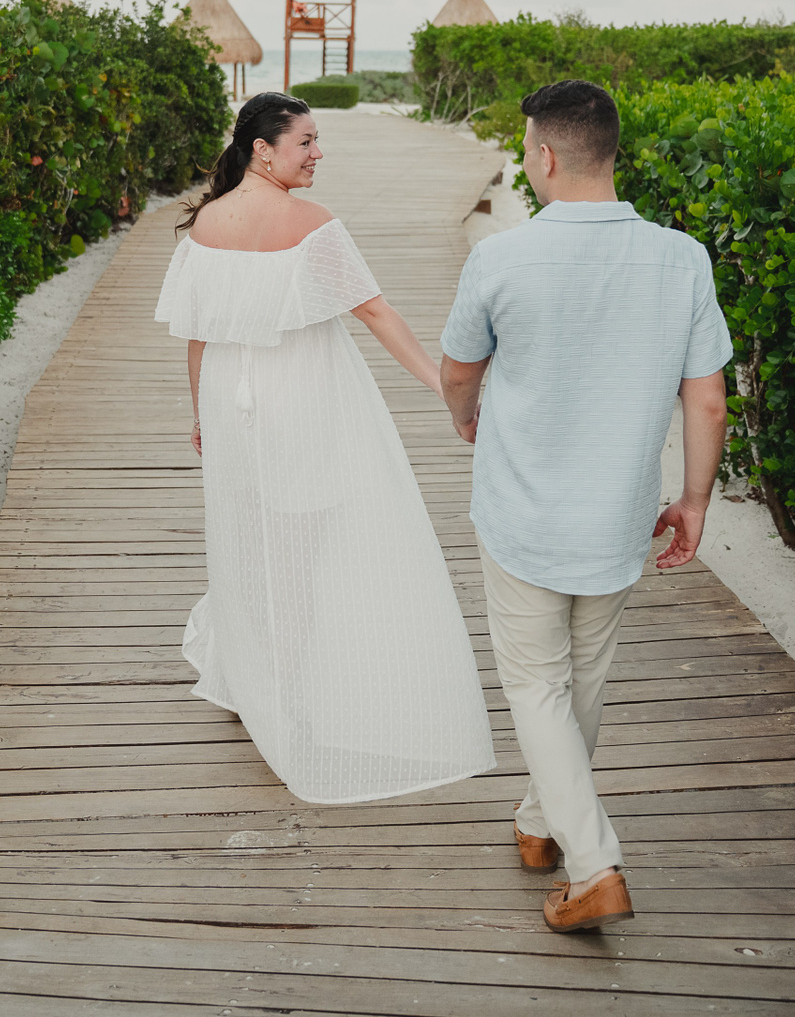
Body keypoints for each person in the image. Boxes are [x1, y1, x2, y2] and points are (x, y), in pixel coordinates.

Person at [439, 79, 732, 932]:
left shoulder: (501, 258)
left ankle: (595, 863)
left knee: (537, 685)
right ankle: (541, 826)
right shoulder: (682, 259)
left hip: (523, 511)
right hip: (617, 513)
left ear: (545, 156)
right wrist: (694, 499)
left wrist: (465, 416)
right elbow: (708, 401)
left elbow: (459, 372)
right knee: (584, 681)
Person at [154, 91, 496, 804]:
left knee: (250, 539)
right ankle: (290, 693)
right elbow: (376, 312)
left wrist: (201, 412)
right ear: (263, 150)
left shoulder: (207, 223)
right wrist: (444, 387)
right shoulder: (310, 224)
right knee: (301, 550)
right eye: (305, 141)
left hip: (230, 400)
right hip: (298, 398)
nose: (318, 154)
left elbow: (198, 331)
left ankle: (256, 674)